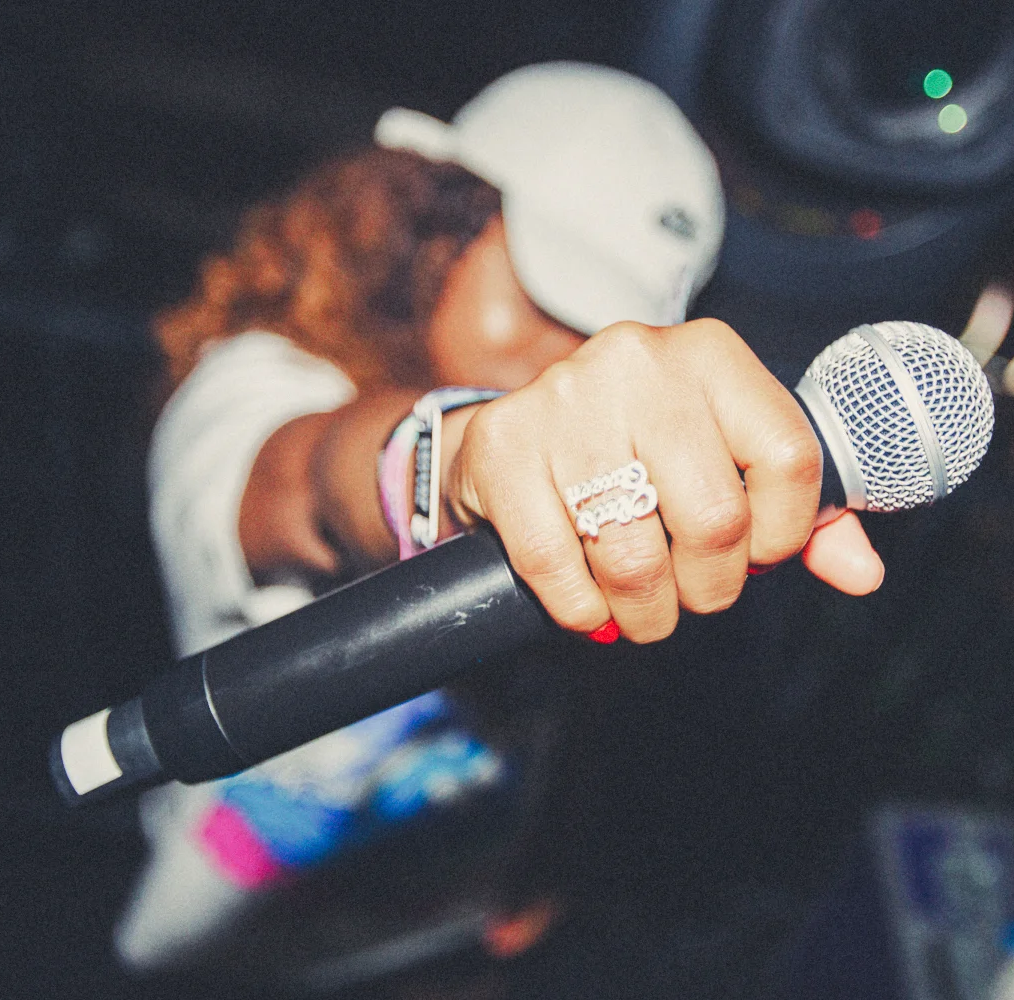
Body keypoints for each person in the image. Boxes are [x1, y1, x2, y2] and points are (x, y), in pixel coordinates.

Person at [115, 61, 884, 974]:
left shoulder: (596, 482)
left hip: (444, 937)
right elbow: (314, 481)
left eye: (603, 329)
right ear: (431, 228)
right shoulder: (255, 385)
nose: (567, 359)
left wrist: (543, 862)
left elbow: (574, 700)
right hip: (227, 951)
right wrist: (464, 456)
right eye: (548, 298)